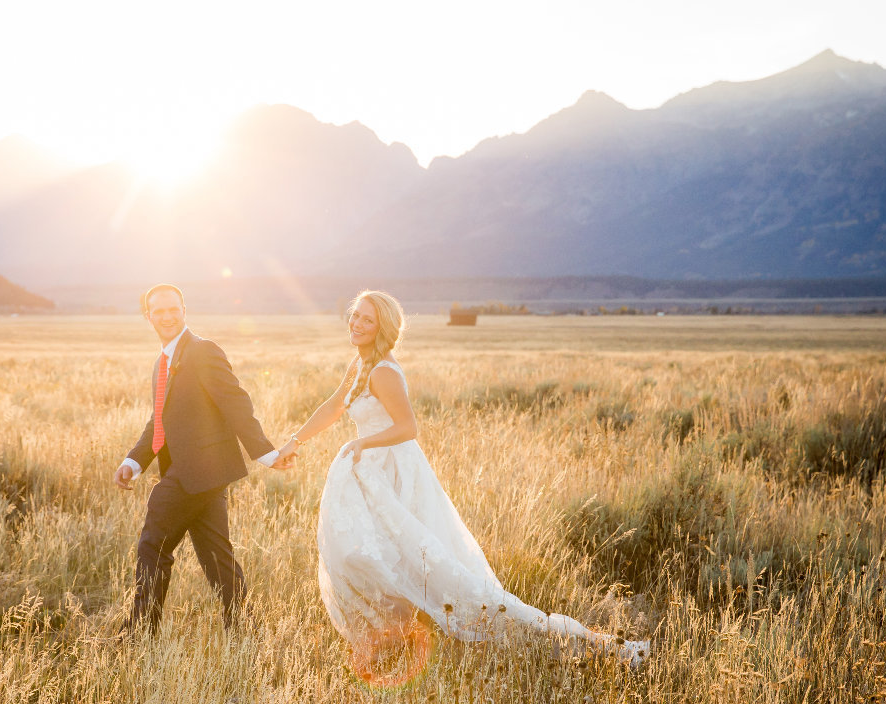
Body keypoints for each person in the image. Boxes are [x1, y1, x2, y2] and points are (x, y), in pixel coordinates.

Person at [273, 290, 650, 667]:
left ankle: (598, 646)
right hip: (371, 471)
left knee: (420, 564)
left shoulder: (383, 372)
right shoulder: (360, 363)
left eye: (366, 319)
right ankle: (394, 635)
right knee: (368, 553)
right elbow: (335, 405)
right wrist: (294, 441)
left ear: (382, 328)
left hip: (393, 471)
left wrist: (362, 442)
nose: (356, 323)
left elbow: (408, 427)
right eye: (355, 315)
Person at [114, 283, 285, 633]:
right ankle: (244, 629)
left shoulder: (203, 350)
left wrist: (265, 453)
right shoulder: (162, 362)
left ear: (184, 310)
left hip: (198, 469)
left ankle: (139, 632)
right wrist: (133, 461)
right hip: (201, 475)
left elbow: (235, 401)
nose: (167, 316)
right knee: (216, 555)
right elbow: (159, 420)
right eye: (159, 311)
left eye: (173, 309)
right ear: (148, 317)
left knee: (152, 544)